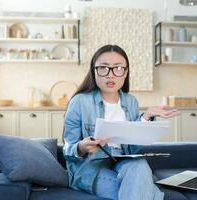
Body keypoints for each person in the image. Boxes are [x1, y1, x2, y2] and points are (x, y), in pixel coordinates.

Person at [63, 44, 179, 200]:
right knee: (146, 192)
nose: (111, 75)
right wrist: (81, 147)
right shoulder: (79, 102)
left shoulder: (131, 102)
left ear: (125, 73)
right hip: (90, 168)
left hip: (123, 162)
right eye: (103, 68)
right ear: (94, 71)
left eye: (118, 68)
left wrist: (146, 117)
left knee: (140, 164)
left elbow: (133, 148)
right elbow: (67, 150)